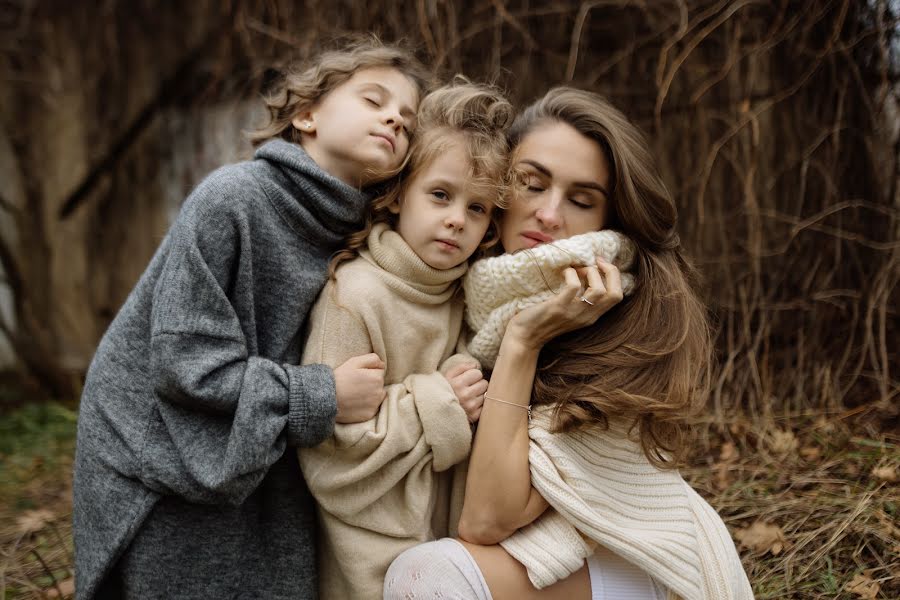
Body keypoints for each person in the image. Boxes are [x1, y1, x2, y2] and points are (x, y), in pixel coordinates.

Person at [72, 38, 429, 599]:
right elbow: (184, 361)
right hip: (162, 461)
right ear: (306, 114)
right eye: (373, 99)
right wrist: (320, 395)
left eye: (407, 123)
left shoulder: (364, 236)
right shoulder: (233, 199)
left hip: (270, 469)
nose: (393, 120)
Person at [384, 88, 754, 600]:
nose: (550, 214)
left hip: (638, 565)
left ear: (610, 219)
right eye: (531, 185)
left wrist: (525, 339)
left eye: (581, 200)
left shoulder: (625, 322)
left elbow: (488, 520)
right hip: (548, 562)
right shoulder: (473, 296)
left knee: (427, 576)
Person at [298, 79, 513, 599]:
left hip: (451, 542)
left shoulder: (468, 296)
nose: (457, 220)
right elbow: (330, 455)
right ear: (398, 194)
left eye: (478, 208)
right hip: (370, 554)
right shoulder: (355, 295)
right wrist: (440, 402)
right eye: (440, 195)